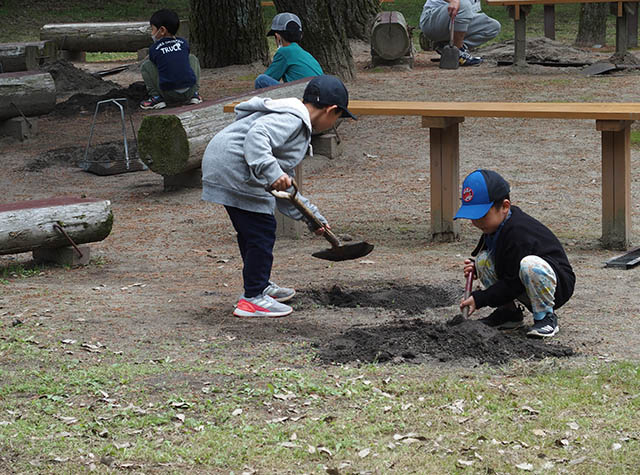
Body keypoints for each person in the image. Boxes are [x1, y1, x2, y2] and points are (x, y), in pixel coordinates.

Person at [202, 75, 356, 318]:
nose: (335, 124)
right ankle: (253, 299)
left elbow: (287, 190)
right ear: (331, 110)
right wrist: (272, 171)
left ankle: (259, 286)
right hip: (233, 167)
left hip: (226, 165)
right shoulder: (293, 120)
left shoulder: (293, 120)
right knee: (262, 231)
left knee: (252, 232)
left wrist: (312, 218)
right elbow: (257, 136)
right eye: (338, 119)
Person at [456, 170, 575, 338]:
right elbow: (504, 264)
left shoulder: (518, 233)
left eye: (481, 214)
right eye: (472, 216)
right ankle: (508, 313)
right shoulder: (495, 227)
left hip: (555, 284)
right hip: (521, 278)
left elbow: (513, 283)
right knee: (482, 260)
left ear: (505, 207)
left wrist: (481, 298)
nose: (476, 222)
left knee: (530, 265)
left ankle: (546, 317)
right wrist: (476, 267)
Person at [140, 9, 203, 110]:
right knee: (192, 58)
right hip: (189, 91)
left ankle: (156, 97)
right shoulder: (183, 43)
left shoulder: (154, 48)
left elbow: (157, 64)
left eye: (152, 29)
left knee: (147, 65)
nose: (151, 33)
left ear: (162, 30)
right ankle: (195, 94)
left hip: (168, 94)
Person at [419, 0, 501, 66]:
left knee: (493, 27)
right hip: (432, 19)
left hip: (456, 18)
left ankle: (446, 46)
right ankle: (457, 52)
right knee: (463, 4)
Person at [254, 12, 323, 89]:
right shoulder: (305, 54)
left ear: (278, 37)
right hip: (318, 95)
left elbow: (269, 77)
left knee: (261, 80)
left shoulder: (284, 52)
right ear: (300, 35)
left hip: (301, 96)